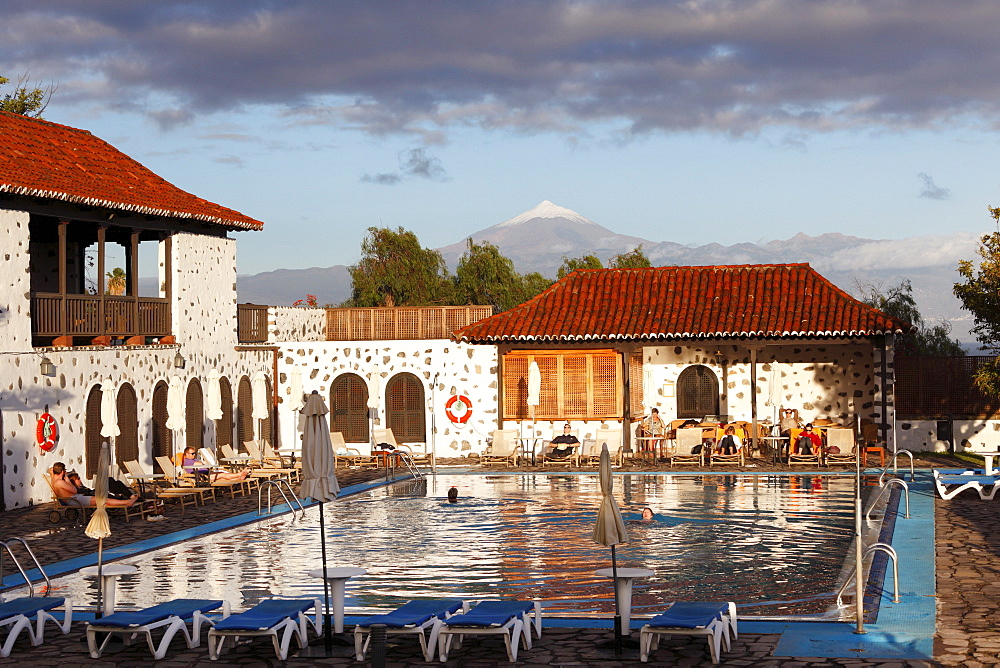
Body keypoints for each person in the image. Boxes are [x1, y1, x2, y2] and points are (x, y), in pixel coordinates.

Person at [48, 462, 138, 507]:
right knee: (102, 500)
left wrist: (59, 472)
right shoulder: (60, 482)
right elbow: (74, 490)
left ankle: (127, 501)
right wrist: (67, 479)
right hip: (74, 500)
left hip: (75, 498)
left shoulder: (53, 478)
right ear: (63, 471)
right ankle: (126, 502)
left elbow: (51, 470)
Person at [180, 447, 249, 482]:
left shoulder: (193, 460)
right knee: (221, 475)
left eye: (195, 453)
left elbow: (201, 464)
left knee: (221, 477)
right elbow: (199, 464)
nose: (194, 455)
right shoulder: (187, 461)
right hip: (201, 478)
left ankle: (238, 479)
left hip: (206, 474)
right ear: (186, 454)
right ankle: (239, 474)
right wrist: (203, 464)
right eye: (192, 453)